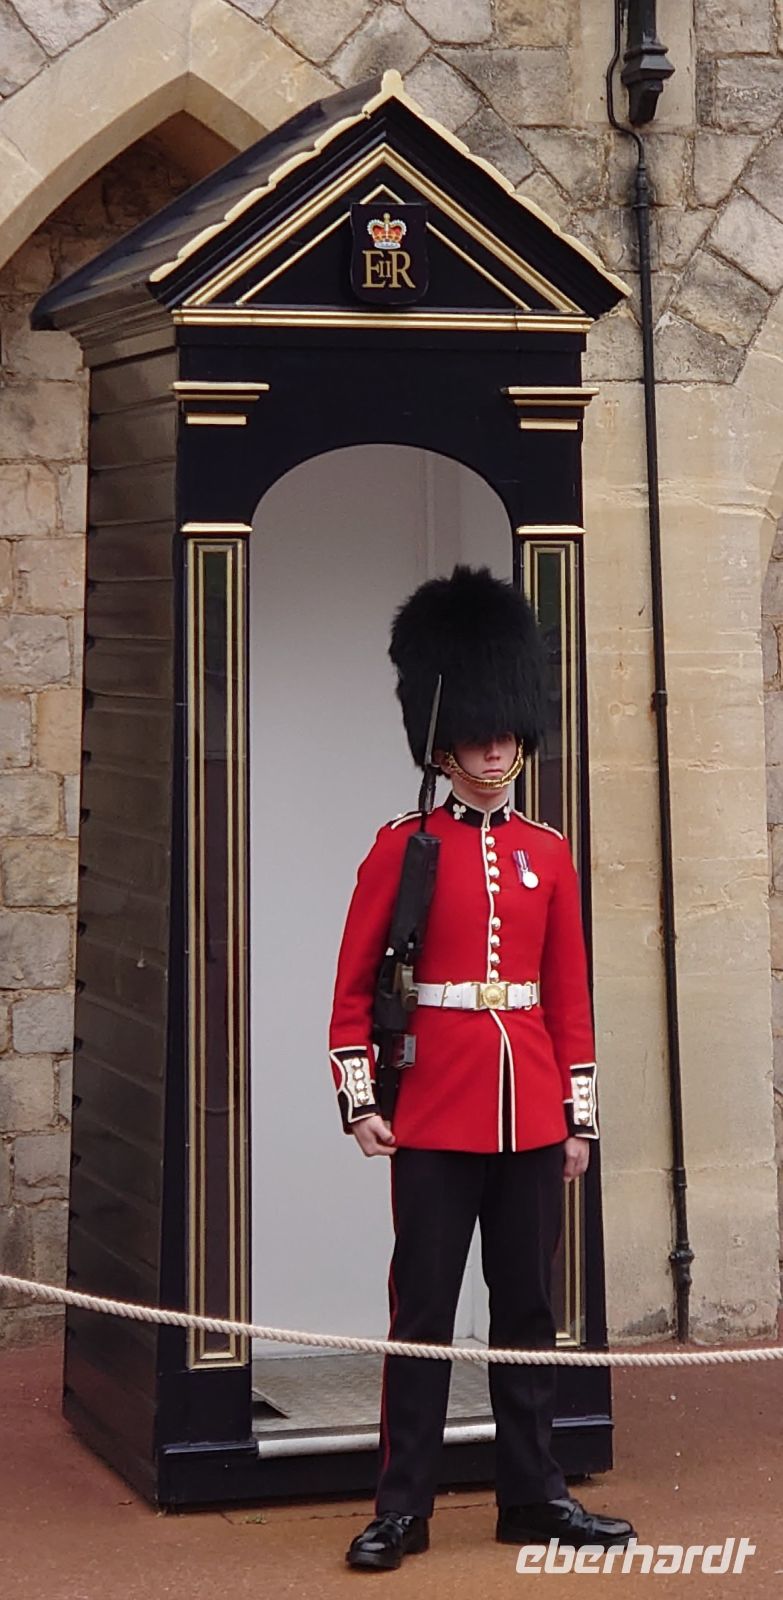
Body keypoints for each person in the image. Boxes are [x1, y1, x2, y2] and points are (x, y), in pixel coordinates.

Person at [328, 565, 635, 1571]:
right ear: (445, 740)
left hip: (531, 1108)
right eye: (478, 733)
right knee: (421, 1311)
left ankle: (533, 1495)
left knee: (529, 1312)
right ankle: (402, 1506)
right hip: (435, 1110)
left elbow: (570, 998)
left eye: (507, 732)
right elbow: (354, 984)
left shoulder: (549, 853)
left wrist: (578, 1115)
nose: (496, 748)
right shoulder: (401, 847)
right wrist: (361, 1099)